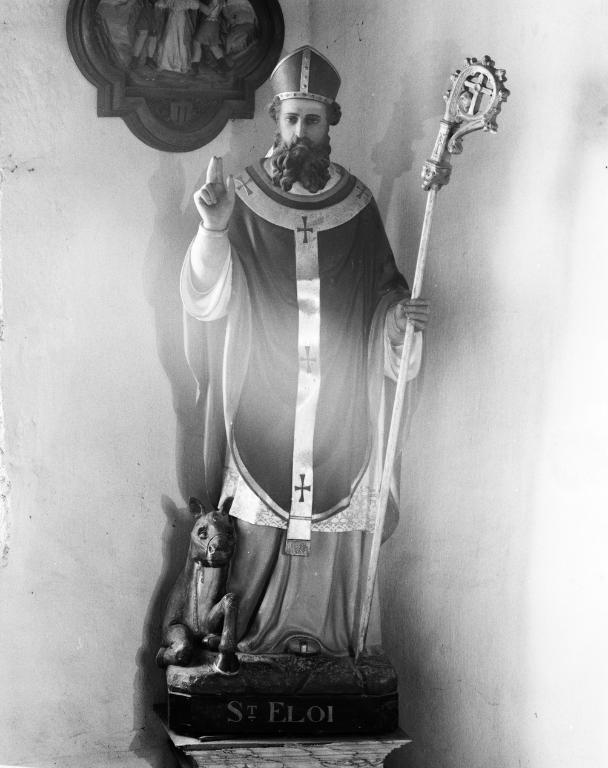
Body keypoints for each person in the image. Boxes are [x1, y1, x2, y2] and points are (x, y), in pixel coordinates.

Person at [180, 46, 429, 658]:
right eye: (291, 118)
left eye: (312, 121)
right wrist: (213, 231)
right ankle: (245, 648)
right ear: (275, 116)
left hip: (340, 403)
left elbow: (384, 293)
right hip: (264, 395)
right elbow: (207, 299)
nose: (300, 132)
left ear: (330, 123)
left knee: (336, 525)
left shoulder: (358, 205)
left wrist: (398, 321)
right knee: (255, 527)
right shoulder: (240, 197)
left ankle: (334, 649)